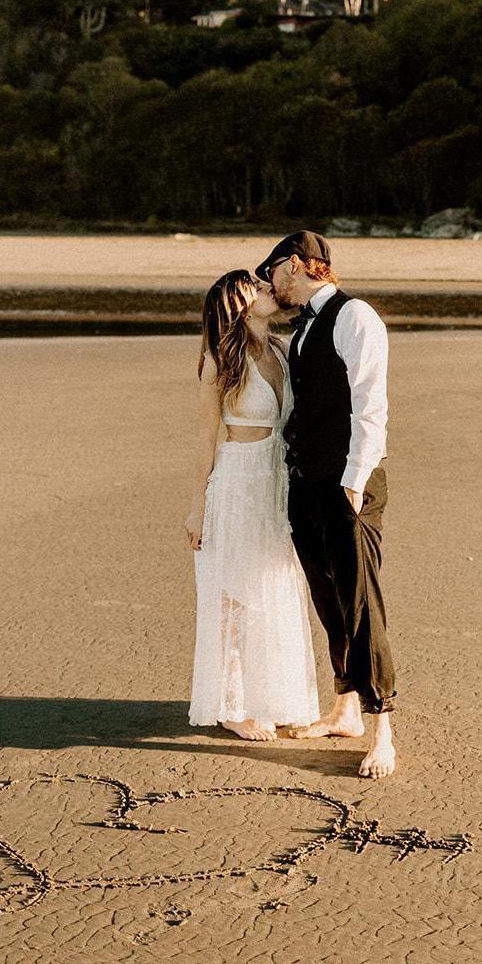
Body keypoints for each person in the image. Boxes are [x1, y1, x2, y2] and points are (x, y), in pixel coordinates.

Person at [255, 231, 398, 779]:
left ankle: (382, 725)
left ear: (294, 266)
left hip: (346, 486)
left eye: (271, 273)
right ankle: (345, 707)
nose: (270, 284)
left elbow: (370, 406)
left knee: (362, 604)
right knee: (328, 598)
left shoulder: (356, 316)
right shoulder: (302, 328)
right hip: (306, 483)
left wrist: (354, 481)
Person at [184, 269, 321, 741]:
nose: (269, 291)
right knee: (234, 596)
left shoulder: (281, 352)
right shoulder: (220, 359)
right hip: (238, 482)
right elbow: (205, 439)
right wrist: (197, 508)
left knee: (274, 584)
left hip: (277, 481)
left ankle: (274, 695)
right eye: (258, 289)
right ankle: (232, 705)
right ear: (239, 306)